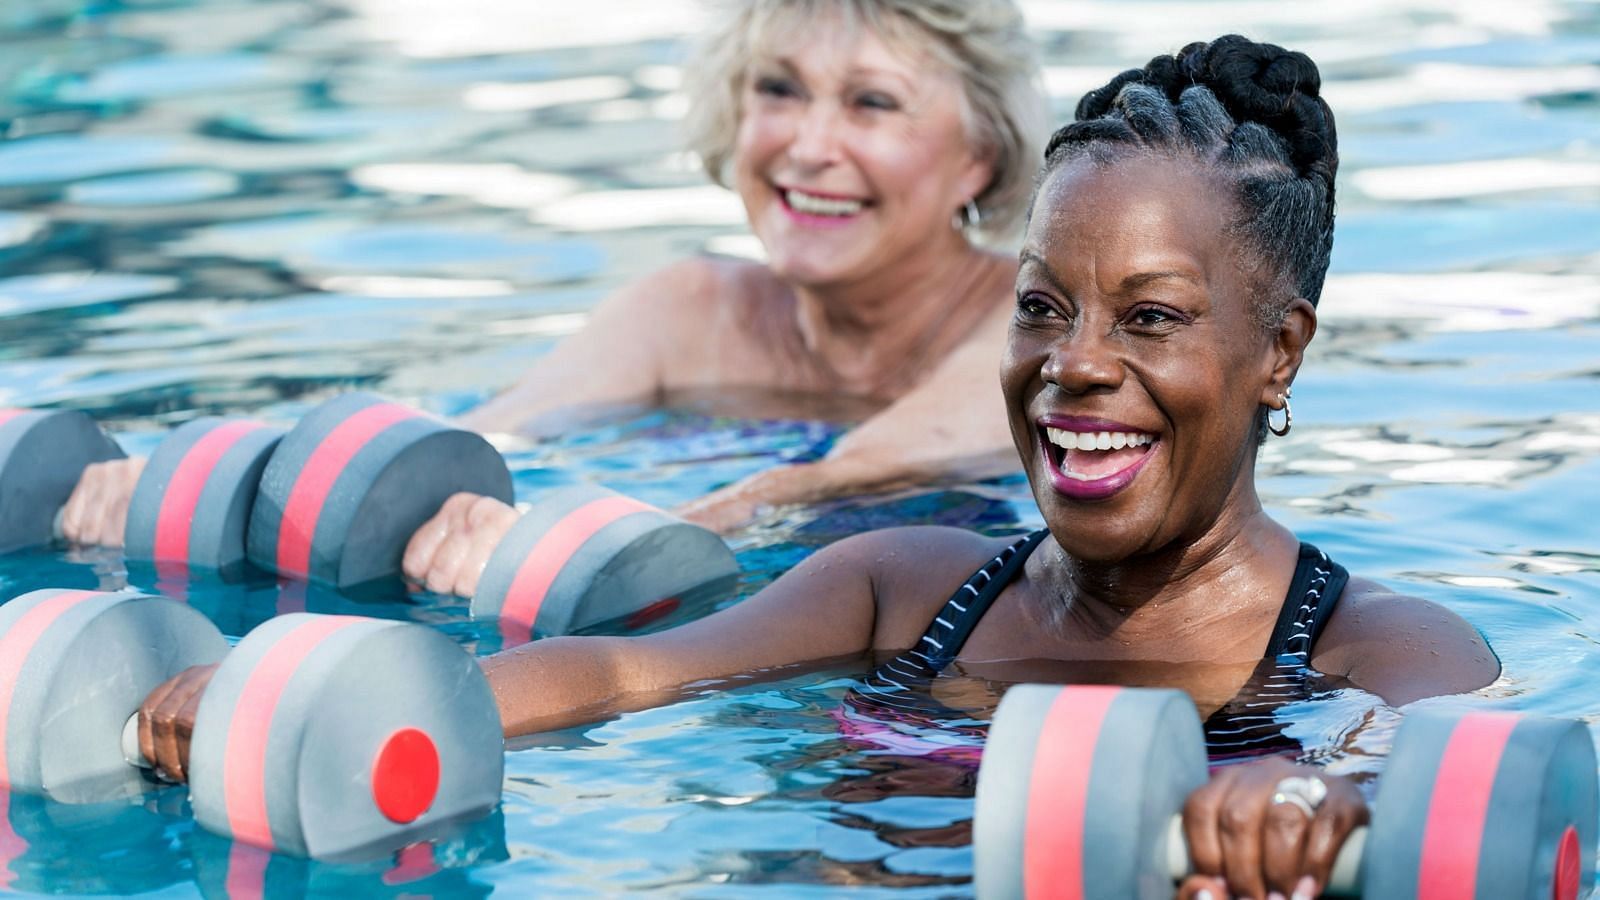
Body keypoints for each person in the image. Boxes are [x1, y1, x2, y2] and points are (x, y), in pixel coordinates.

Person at [137, 36, 1499, 900]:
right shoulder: (903, 589)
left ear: (1280, 352)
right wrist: (316, 691)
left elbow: (1436, 771)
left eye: (1150, 318)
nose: (1073, 364)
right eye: (1040, 307)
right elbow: (622, 676)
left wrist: (1311, 799)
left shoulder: (1379, 647)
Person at [56, 0, 1047, 585]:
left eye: (872, 102)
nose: (808, 144)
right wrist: (210, 481)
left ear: (978, 157)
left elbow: (821, 482)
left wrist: (566, 545)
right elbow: (499, 432)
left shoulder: (1035, 327)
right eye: (777, 90)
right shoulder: (689, 309)